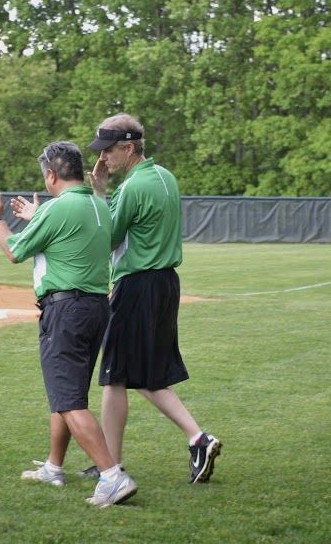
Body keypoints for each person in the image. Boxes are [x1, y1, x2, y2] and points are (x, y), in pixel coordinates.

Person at [0, 140, 137, 507]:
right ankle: (53, 467)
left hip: (66, 311)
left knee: (67, 399)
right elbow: (75, 237)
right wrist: (40, 217)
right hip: (96, 308)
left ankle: (112, 477)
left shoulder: (57, 208)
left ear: (51, 175)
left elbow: (14, 250)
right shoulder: (98, 204)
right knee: (68, 394)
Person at [87, 113, 222, 484]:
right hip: (166, 284)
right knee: (136, 376)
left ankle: (193, 440)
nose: (104, 159)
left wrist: (99, 191)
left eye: (109, 151)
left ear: (129, 148)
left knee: (122, 376)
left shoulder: (132, 188)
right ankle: (112, 462)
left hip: (137, 285)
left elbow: (109, 238)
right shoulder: (166, 178)